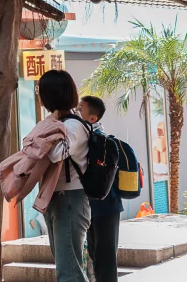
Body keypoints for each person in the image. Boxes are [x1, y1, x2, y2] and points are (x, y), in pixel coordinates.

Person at [39, 69, 91, 282]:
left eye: (41, 92)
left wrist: (42, 137)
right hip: (56, 198)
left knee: (69, 272)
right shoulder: (58, 123)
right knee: (67, 268)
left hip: (71, 198)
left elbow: (55, 154)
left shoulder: (72, 126)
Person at [79, 95, 122, 282]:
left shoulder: (99, 141)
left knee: (105, 258)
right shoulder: (88, 137)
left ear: (92, 118)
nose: (75, 112)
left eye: (80, 109)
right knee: (96, 255)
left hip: (106, 206)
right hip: (94, 206)